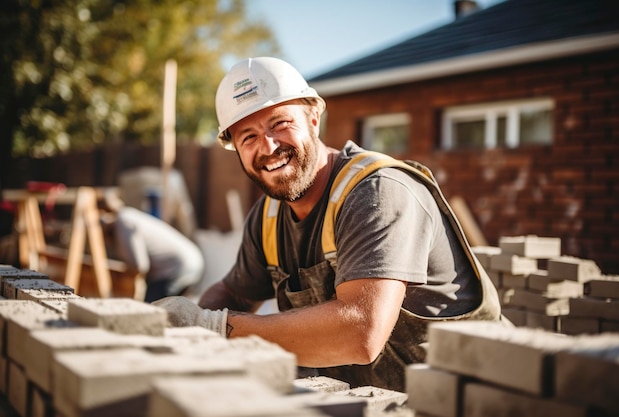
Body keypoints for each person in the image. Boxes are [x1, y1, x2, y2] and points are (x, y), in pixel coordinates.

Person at [154, 57, 504, 391]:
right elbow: (234, 294)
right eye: (248, 137)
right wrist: (177, 327)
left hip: (486, 398)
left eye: (280, 123)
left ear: (313, 118)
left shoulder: (377, 192)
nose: (269, 146)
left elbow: (360, 332)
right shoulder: (268, 217)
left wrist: (213, 327)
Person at [102, 190, 205, 303]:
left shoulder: (124, 222)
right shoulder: (129, 215)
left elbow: (140, 266)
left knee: (149, 311)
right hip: (191, 262)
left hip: (178, 268)